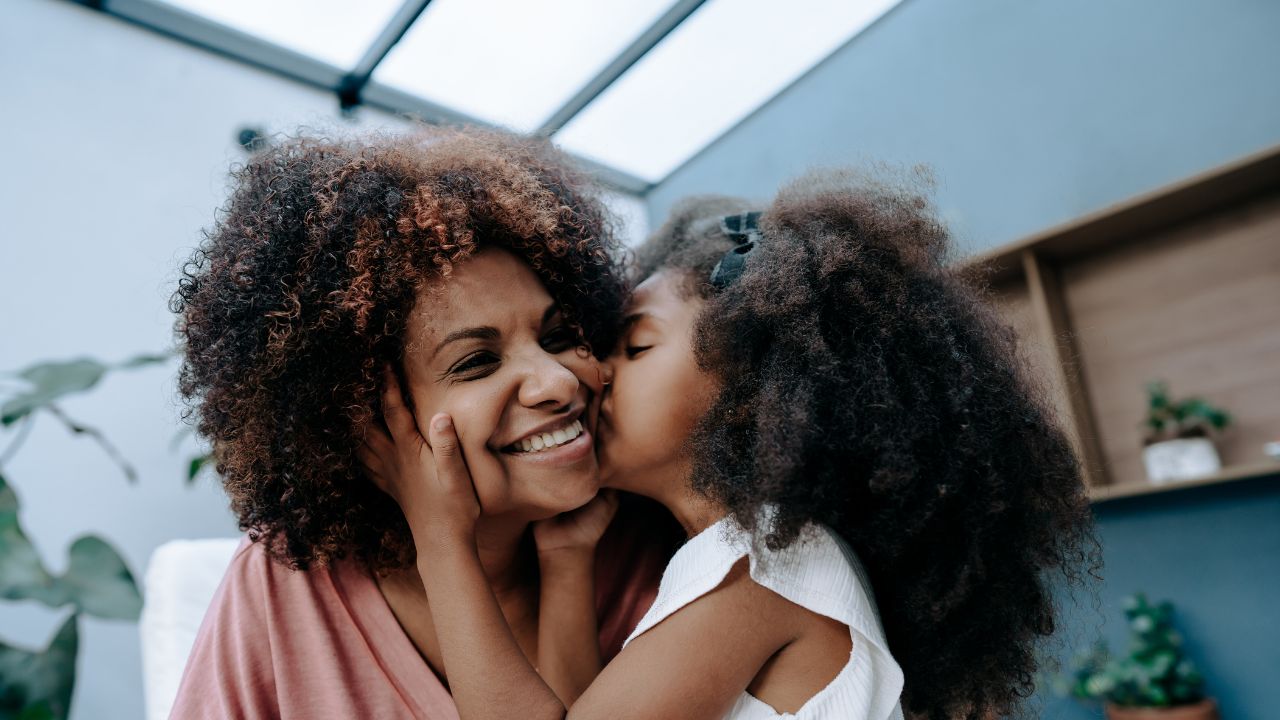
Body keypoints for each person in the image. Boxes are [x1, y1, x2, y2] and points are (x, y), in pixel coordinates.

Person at [364, 171, 1098, 719]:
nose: (586, 371)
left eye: (635, 346)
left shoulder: (761, 571)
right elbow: (578, 707)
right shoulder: (732, 565)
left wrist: (441, 542)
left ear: (755, 392)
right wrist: (566, 558)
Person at [167, 128, 678, 719]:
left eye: (558, 336)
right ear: (358, 421)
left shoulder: (653, 546)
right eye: (477, 362)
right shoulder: (284, 585)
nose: (559, 382)